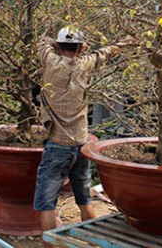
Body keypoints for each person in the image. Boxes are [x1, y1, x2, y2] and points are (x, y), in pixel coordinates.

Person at [34, 26, 127, 246]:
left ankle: (49, 246)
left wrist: (56, 44)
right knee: (84, 200)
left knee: (47, 204)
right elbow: (107, 51)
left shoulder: (49, 60)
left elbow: (41, 41)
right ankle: (94, 244)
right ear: (81, 47)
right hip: (80, 145)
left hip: (56, 144)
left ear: (58, 46)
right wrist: (124, 42)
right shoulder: (85, 64)